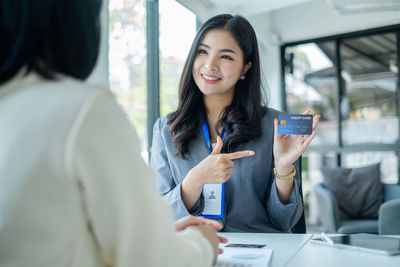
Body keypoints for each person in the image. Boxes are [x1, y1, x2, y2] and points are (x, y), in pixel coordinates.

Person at [0, 1, 226, 266]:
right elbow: (154, 259)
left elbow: (51, 234)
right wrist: (202, 242)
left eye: (226, 56)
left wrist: (158, 236)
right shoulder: (83, 110)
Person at [151, 14, 320, 233]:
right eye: (203, 52)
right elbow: (158, 217)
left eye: (226, 57)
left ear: (245, 67)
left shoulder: (278, 125)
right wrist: (194, 181)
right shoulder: (165, 129)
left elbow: (285, 223)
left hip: (261, 253)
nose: (210, 65)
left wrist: (284, 167)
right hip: (196, 251)